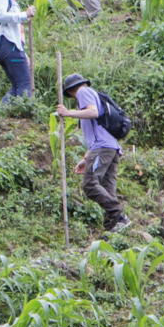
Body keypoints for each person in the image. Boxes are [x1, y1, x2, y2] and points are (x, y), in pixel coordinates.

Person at [54, 73, 125, 232]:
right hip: (110, 148)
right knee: (107, 189)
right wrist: (86, 158)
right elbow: (96, 130)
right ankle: (113, 229)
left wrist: (68, 113)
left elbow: (92, 112)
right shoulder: (93, 95)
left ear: (71, 91)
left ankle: (118, 214)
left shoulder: (83, 92)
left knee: (90, 184)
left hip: (102, 148)